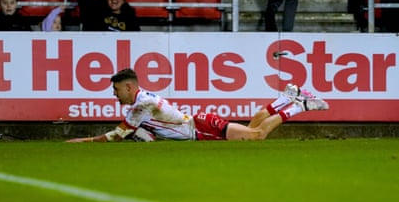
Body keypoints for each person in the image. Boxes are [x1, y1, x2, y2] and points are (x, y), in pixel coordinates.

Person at [66, 69, 329, 143]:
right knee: (251, 128)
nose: (114, 94)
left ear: (128, 87)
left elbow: (118, 134)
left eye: (115, 89)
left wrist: (86, 140)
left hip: (200, 128)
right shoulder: (141, 101)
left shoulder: (140, 105)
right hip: (200, 123)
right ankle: (286, 97)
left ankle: (297, 106)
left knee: (256, 136)